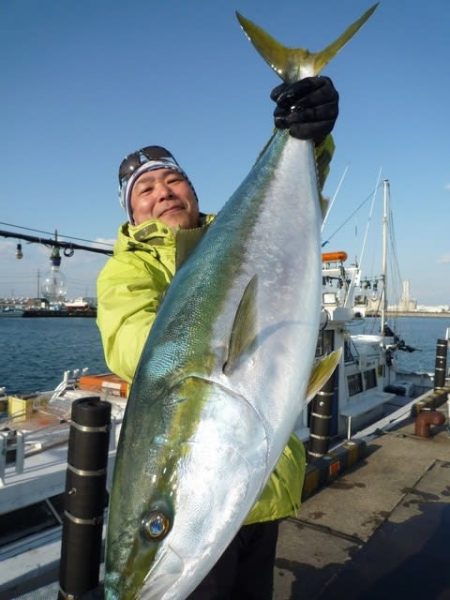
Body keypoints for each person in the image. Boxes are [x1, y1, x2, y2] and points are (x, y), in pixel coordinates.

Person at [97, 75, 339, 599]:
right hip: (204, 493)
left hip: (262, 486)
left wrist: (310, 137)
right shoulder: (126, 270)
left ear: (192, 187)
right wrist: (201, 346)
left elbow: (293, 202)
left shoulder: (233, 228)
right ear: (131, 211)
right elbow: (129, 343)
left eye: (172, 181)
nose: (162, 192)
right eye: (145, 188)